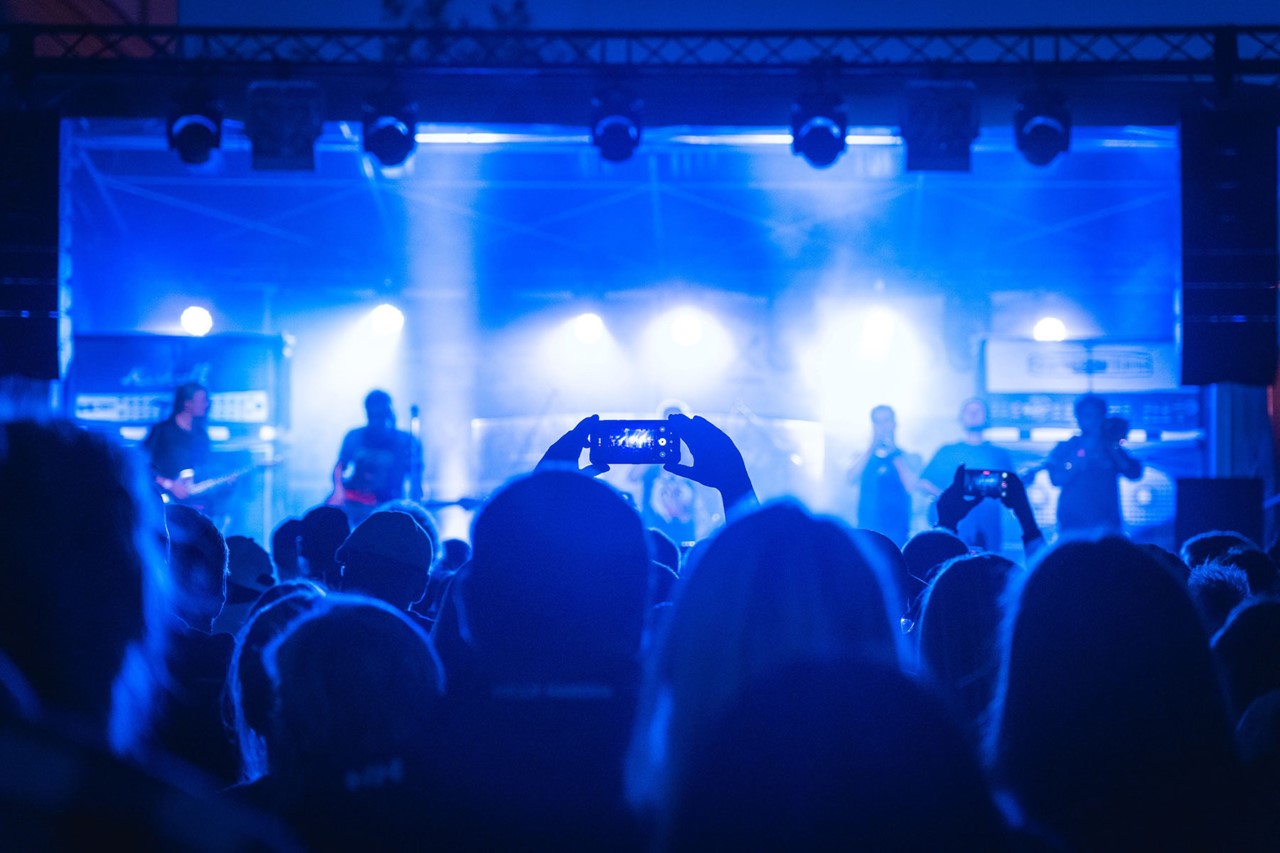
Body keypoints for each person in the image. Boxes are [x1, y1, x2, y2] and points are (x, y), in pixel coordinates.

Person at [919, 398, 1015, 553]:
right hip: (955, 523)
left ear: (987, 416)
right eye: (969, 411)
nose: (973, 414)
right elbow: (924, 482)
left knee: (988, 562)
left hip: (988, 523)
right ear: (961, 417)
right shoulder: (948, 451)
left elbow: (1012, 486)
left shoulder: (999, 454)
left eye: (978, 411)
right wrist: (947, 497)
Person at [1045, 393, 1143, 536]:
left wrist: (1111, 446)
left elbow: (1133, 472)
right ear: (1079, 418)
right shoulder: (1067, 447)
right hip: (1073, 524)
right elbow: (1057, 479)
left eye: (1098, 416)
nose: (1094, 421)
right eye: (1088, 416)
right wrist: (1084, 449)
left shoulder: (1111, 446)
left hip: (1107, 525)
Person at [329, 390, 424, 526]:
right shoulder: (354, 436)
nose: (377, 420)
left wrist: (416, 503)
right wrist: (338, 492)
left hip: (389, 505)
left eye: (381, 414)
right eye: (373, 415)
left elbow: (416, 479)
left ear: (389, 413)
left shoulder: (406, 441)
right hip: (355, 504)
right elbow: (340, 468)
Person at [848, 404, 921, 547]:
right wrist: (871, 449)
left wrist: (894, 454)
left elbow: (911, 486)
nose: (882, 426)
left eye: (886, 421)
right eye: (877, 422)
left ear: (894, 424)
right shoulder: (862, 456)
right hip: (867, 528)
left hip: (897, 531)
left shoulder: (907, 456)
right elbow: (850, 478)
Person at [143, 382, 212, 503]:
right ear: (187, 403)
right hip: (162, 499)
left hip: (192, 499)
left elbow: (203, 466)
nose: (206, 405)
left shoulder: (201, 435)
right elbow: (142, 463)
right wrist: (169, 484)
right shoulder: (162, 431)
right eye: (202, 400)